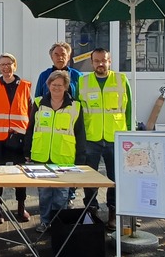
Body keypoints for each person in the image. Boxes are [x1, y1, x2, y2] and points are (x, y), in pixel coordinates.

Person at [78, 48, 132, 232]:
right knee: (90, 178)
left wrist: (129, 135)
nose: (100, 64)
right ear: (91, 62)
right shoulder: (83, 82)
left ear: (110, 61)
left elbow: (130, 109)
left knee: (115, 178)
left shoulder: (121, 80)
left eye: (104, 60)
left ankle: (113, 213)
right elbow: (78, 112)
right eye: (97, 61)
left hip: (115, 137)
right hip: (91, 137)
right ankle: (91, 210)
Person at [25, 70, 86, 233]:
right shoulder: (38, 102)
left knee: (61, 195)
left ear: (66, 86)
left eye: (60, 85)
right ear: (48, 85)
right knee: (44, 193)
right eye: (53, 84)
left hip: (64, 157)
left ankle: (60, 224)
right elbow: (30, 128)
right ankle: (45, 222)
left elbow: (80, 134)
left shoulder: (76, 106)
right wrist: (27, 151)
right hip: (41, 155)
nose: (56, 88)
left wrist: (80, 157)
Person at [0, 53, 32, 223]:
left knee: (21, 175)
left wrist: (29, 140)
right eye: (2, 64)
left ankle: (21, 207)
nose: (5, 67)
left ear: (14, 65)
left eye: (8, 64)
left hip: (19, 139)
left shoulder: (25, 86)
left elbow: (30, 114)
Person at [34, 42, 82, 206]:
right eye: (57, 54)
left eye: (63, 54)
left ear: (69, 56)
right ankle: (48, 213)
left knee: (66, 176)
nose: (60, 57)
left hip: (67, 132)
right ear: (51, 56)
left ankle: (69, 198)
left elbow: (80, 103)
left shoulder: (77, 76)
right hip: (46, 135)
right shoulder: (44, 75)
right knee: (46, 181)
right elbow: (38, 102)